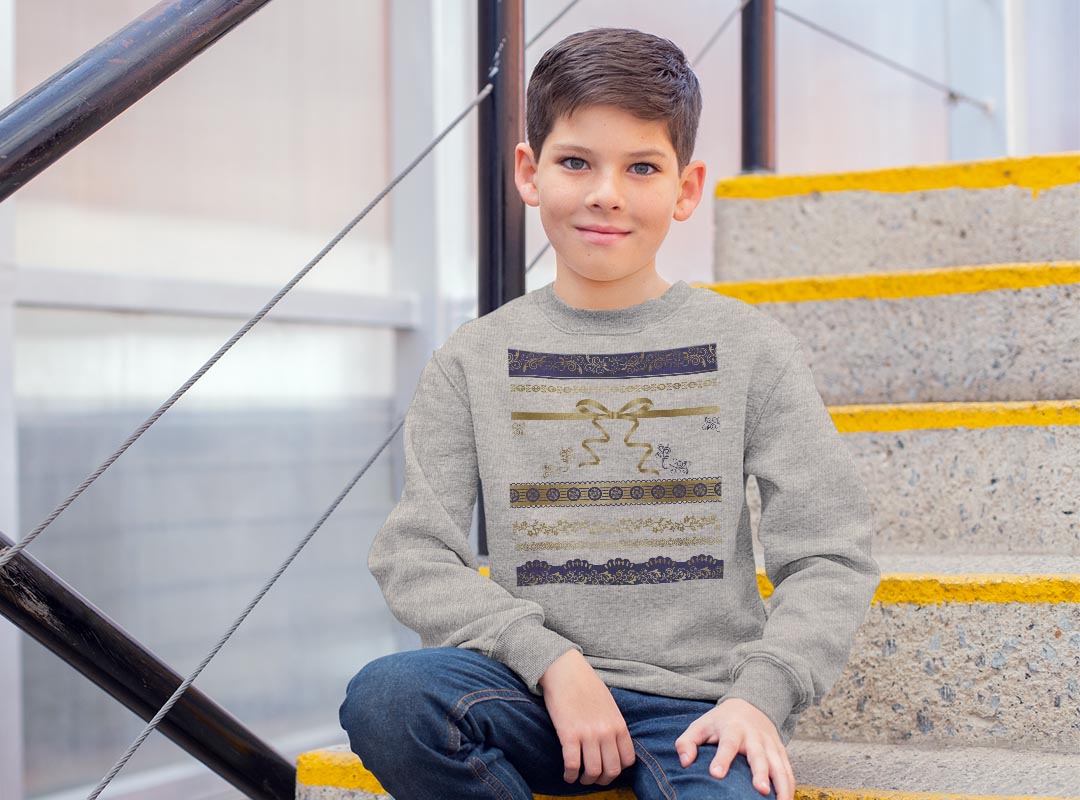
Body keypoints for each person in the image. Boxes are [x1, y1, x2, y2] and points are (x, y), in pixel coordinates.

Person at [339, 27, 880, 800]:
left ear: (686, 189)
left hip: (700, 710)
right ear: (529, 172)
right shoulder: (472, 360)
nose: (606, 193)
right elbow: (414, 554)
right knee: (390, 699)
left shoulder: (751, 349)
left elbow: (830, 552)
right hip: (532, 697)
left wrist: (759, 698)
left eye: (642, 167)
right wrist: (551, 662)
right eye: (575, 162)